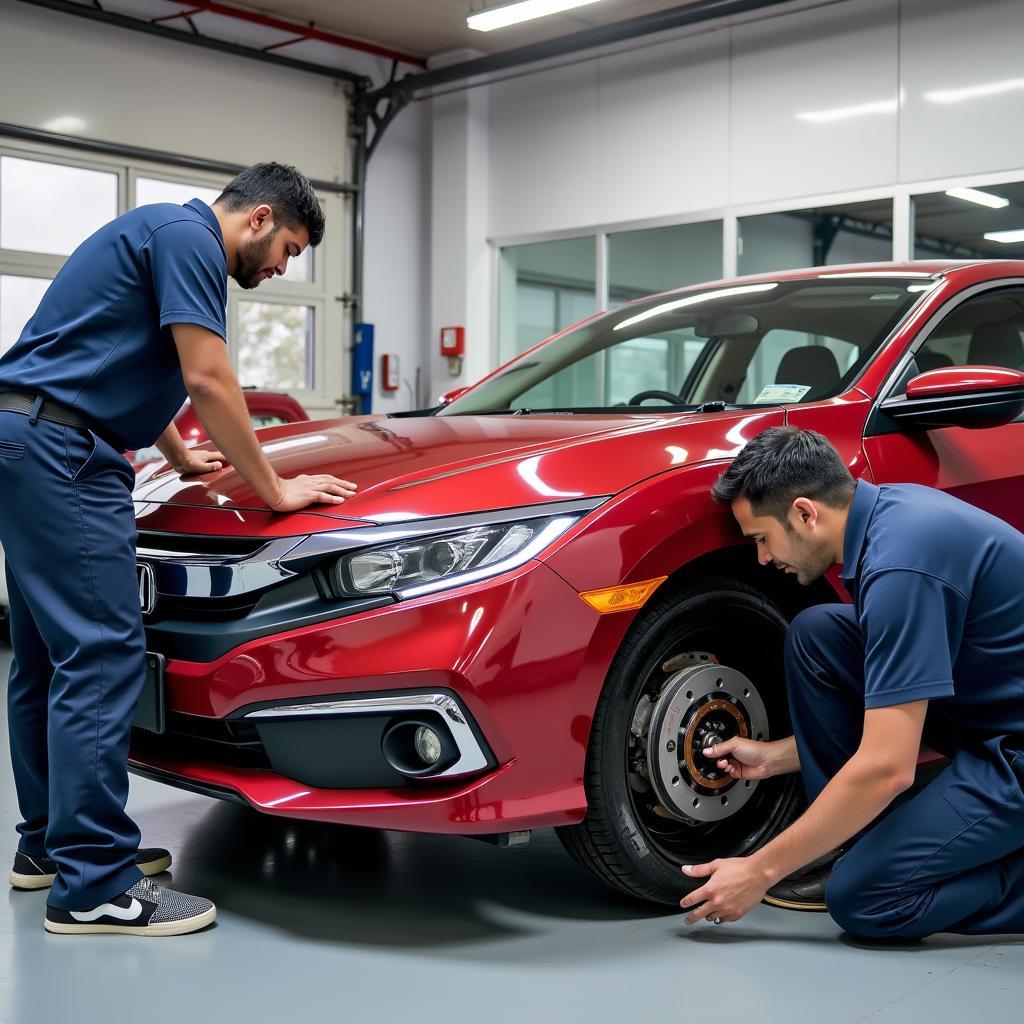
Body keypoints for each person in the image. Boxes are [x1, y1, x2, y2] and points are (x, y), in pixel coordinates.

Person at [0, 162, 357, 936]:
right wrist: (274, 490)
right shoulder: (192, 240)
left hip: (30, 434)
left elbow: (119, 352)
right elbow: (208, 376)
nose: (283, 268)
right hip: (62, 454)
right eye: (289, 250)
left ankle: (50, 849)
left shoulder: (157, 233)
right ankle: (95, 879)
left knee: (45, 661)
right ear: (259, 218)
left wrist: (174, 448)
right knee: (100, 656)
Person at [678, 425, 1024, 940]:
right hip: (988, 709)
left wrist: (760, 870)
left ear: (804, 513)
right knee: (819, 632)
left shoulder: (903, 566)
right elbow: (904, 704)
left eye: (761, 539)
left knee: (866, 899)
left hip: (1014, 748)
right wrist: (774, 758)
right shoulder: (890, 514)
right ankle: (854, 842)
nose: (763, 559)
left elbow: (889, 767)